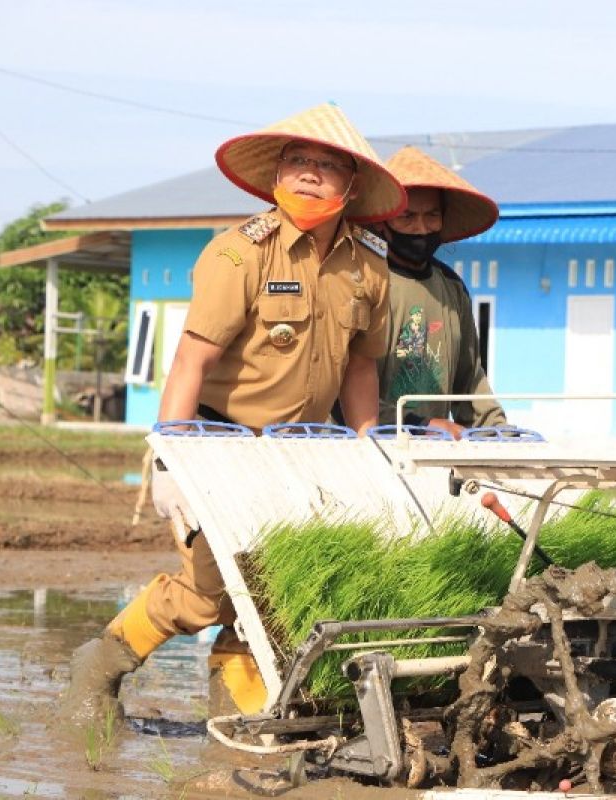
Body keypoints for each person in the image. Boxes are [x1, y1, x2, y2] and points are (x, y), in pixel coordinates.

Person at [60, 103, 406, 728]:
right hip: (216, 440)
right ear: (276, 173)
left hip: (302, 448)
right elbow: (191, 359)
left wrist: (366, 447)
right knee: (209, 590)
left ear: (350, 187)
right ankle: (100, 665)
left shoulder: (368, 269)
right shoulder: (239, 255)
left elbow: (361, 370)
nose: (309, 174)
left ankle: (234, 717)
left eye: (326, 166)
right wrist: (170, 459)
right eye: (298, 161)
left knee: (274, 590)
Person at [374, 146, 506, 437]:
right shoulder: (365, 281)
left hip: (436, 450)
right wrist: (417, 425)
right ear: (383, 221)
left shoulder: (451, 287)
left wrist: (498, 431)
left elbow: (470, 379)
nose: (421, 228)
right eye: (407, 217)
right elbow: (344, 388)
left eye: (432, 215)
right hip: (367, 446)